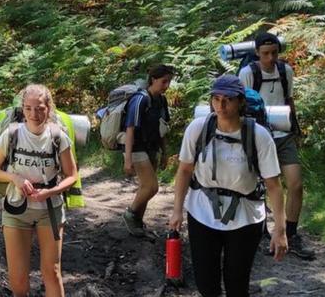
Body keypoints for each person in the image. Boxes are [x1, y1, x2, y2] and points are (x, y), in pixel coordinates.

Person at [169, 75, 288, 297]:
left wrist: (280, 231)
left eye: (228, 100)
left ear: (240, 102)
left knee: (237, 284)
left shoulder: (259, 137)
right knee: (206, 284)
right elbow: (184, 170)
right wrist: (177, 210)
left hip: (245, 217)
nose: (221, 106)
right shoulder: (198, 129)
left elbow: (274, 185)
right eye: (216, 99)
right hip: (201, 211)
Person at [0, 84, 77, 297]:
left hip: (50, 210)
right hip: (16, 209)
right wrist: (14, 178)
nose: (33, 114)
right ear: (22, 109)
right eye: (28, 108)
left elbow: (72, 176)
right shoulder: (12, 134)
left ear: (49, 108)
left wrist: (51, 192)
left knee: (52, 272)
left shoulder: (58, 136)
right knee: (18, 278)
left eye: (40, 108)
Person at [237, 32, 314, 259]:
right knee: (258, 188)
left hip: (284, 135)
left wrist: (295, 128)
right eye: (265, 54)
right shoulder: (248, 73)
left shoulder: (285, 70)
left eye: (274, 53)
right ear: (257, 53)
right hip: (258, 136)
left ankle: (291, 234)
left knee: (296, 184)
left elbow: (289, 100)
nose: (270, 58)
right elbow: (241, 106)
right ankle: (261, 234)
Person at [122, 64, 175, 237]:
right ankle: (130, 214)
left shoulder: (161, 100)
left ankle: (137, 224)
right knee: (152, 187)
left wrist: (165, 152)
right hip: (136, 148)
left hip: (152, 147)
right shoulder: (140, 99)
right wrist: (127, 159)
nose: (166, 86)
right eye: (164, 81)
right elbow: (130, 129)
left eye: (169, 82)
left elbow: (162, 128)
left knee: (145, 187)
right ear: (153, 79)